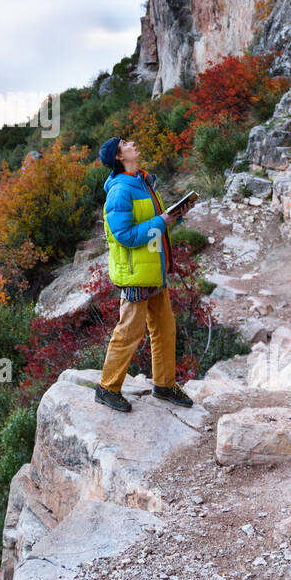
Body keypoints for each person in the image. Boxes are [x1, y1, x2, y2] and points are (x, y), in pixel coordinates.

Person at [95, 135, 194, 413]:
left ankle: (163, 385)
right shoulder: (119, 191)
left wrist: (175, 216)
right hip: (136, 275)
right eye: (125, 143)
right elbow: (125, 235)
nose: (133, 143)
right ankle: (107, 388)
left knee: (164, 330)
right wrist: (161, 222)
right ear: (118, 156)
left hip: (154, 272)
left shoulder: (142, 182)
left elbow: (153, 229)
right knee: (129, 333)